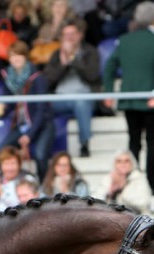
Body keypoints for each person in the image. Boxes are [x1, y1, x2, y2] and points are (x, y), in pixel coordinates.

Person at [103, 1, 154, 196]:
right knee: (152, 142)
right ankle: (150, 185)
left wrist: (109, 91)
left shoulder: (125, 39)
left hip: (130, 99)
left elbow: (109, 67)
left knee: (134, 143)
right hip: (150, 100)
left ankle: (134, 185)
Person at [0, 40, 55, 182]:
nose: (16, 59)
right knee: (2, 151)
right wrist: (1, 109)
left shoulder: (38, 78)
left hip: (42, 125)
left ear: (25, 57)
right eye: (12, 56)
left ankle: (43, 189)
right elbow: (10, 104)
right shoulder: (8, 78)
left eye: (19, 55)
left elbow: (41, 110)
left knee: (40, 155)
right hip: (21, 125)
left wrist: (29, 134)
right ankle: (10, 184)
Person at [42, 18, 101, 157]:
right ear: (62, 37)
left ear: (80, 35)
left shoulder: (90, 52)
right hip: (60, 99)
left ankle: (84, 143)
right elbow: (48, 81)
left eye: (73, 34)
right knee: (41, 107)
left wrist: (73, 60)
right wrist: (63, 65)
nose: (70, 38)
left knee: (81, 103)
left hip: (84, 98)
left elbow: (92, 76)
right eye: (66, 35)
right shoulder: (56, 55)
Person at [94, 149, 152, 214]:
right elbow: (96, 200)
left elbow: (143, 202)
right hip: (111, 218)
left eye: (126, 161)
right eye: (119, 161)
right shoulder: (108, 178)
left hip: (136, 218)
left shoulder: (139, 178)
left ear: (132, 163)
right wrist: (110, 193)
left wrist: (122, 190)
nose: (123, 164)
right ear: (114, 164)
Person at [0, 145, 36, 211]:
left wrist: (1, 193)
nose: (9, 168)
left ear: (19, 164)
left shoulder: (28, 179)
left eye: (13, 163)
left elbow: (22, 204)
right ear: (0, 166)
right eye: (6, 164)